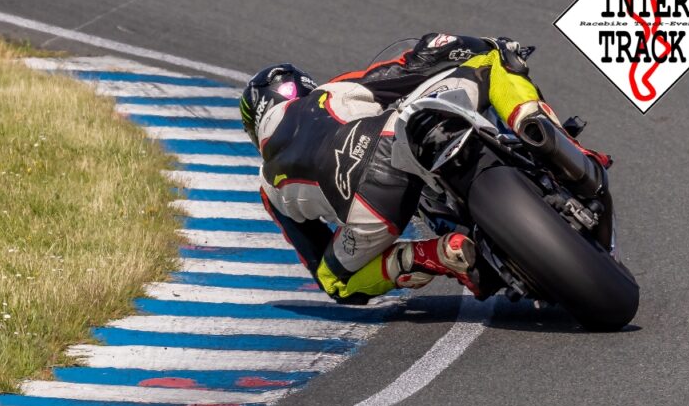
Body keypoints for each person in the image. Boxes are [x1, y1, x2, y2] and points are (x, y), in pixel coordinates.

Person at [239, 33, 611, 305]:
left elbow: (317, 258)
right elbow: (410, 65)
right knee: (492, 62)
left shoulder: (268, 184)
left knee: (334, 280)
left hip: (369, 213)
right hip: (387, 142)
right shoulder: (330, 92)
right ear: (302, 87)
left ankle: (435, 255)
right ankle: (552, 139)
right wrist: (476, 45)